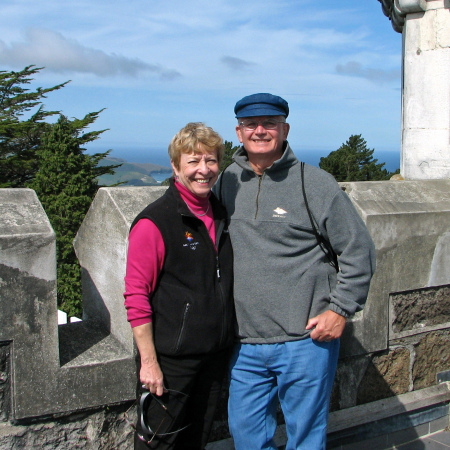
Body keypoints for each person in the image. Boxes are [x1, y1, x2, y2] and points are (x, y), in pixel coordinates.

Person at [215, 93, 376, 449]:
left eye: (270, 123)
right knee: (247, 437)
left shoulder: (314, 183)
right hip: (245, 344)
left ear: (285, 129)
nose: (260, 131)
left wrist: (340, 309)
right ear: (238, 132)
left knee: (306, 437)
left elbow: (358, 250)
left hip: (305, 341)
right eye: (251, 125)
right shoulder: (225, 182)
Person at [124, 122, 234, 449]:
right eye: (193, 161)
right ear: (175, 167)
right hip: (171, 362)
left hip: (214, 356)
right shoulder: (155, 222)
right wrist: (149, 362)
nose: (204, 170)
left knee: (195, 441)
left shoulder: (221, 214)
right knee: (159, 443)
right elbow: (136, 296)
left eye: (211, 161)